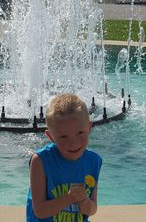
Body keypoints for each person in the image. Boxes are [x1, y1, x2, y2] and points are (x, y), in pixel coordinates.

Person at [26, 93, 102, 222]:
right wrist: (69, 198)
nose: (73, 143)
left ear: (89, 128)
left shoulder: (94, 161)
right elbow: (39, 211)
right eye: (63, 137)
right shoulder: (40, 161)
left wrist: (85, 203)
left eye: (80, 133)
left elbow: (93, 208)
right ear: (51, 137)